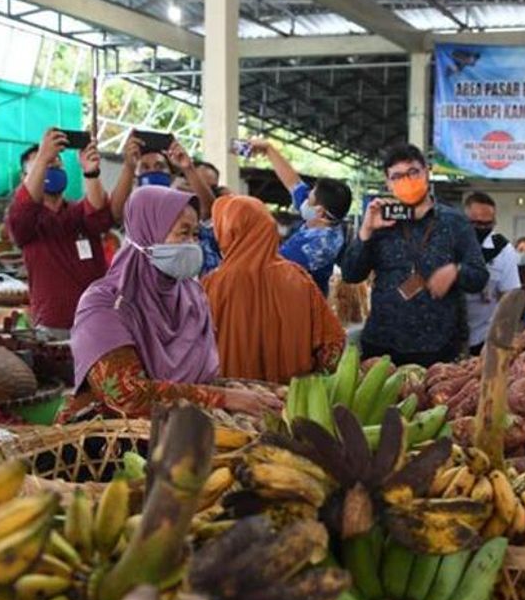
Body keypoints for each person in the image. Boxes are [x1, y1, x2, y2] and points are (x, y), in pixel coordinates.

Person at [68, 186, 280, 419]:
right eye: (183, 233)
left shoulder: (191, 296)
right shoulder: (105, 304)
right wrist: (224, 397)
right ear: (148, 233)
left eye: (195, 234)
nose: (192, 244)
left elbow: (201, 379)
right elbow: (125, 395)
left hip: (186, 430)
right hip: (113, 440)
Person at [340, 144, 488, 366]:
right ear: (388, 182)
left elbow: (479, 276)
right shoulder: (379, 220)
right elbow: (351, 274)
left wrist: (455, 271)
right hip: (382, 345)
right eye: (397, 176)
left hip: (438, 349)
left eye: (413, 172)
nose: (407, 181)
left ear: (426, 172)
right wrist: (366, 230)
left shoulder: (454, 222)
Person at [203, 196, 346, 383]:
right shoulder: (297, 278)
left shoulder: (211, 285)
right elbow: (333, 344)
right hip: (289, 402)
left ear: (226, 232)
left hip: (234, 402)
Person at [5, 129, 115, 339]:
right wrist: (43, 158)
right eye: (45, 165)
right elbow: (23, 211)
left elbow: (100, 217)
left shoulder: (77, 211)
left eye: (57, 164)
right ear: (26, 177)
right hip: (54, 324)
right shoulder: (26, 220)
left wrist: (91, 172)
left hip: (96, 318)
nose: (52, 166)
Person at [247, 138, 352, 296]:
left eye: (309, 199)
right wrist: (269, 149)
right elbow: (294, 183)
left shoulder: (318, 245)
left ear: (320, 212)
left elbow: (271, 268)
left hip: (301, 309)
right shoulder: (325, 220)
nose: (304, 201)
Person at [115, 130, 219, 274]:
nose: (152, 171)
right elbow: (116, 215)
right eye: (144, 167)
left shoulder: (183, 202)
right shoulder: (132, 205)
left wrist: (187, 167)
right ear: (136, 176)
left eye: (159, 166)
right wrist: (129, 166)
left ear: (170, 174)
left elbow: (209, 210)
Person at [464, 192, 520, 355]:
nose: (481, 228)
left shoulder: (502, 249)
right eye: (475, 223)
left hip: (485, 336)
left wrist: (505, 338)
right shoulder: (448, 244)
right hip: (447, 336)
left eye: (487, 224)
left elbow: (510, 296)